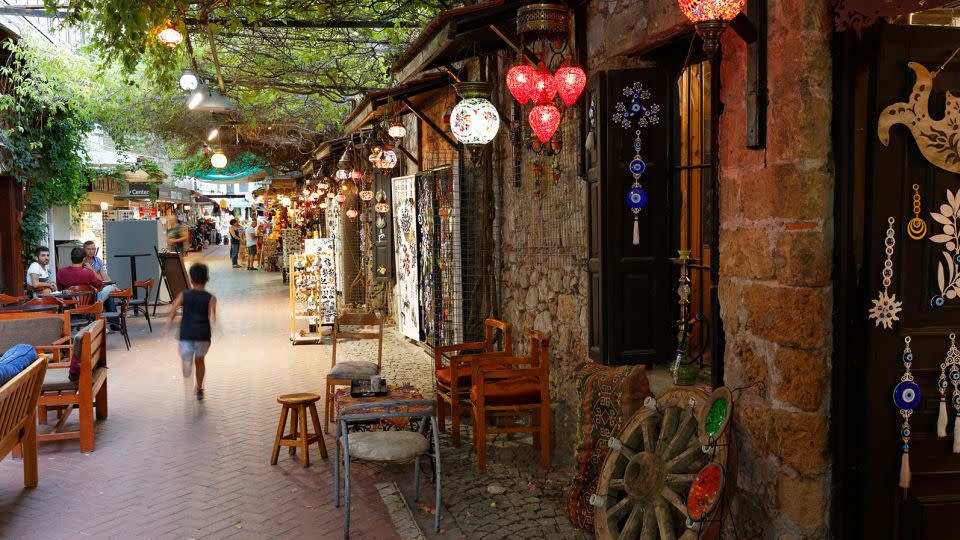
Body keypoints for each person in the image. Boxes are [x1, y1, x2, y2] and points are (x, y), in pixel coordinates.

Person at [166, 263, 216, 400]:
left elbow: (172, 309)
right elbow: (212, 318)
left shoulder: (184, 295)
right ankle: (199, 388)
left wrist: (170, 321)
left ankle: (186, 361)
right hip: (203, 335)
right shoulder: (211, 298)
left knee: (186, 357)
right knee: (200, 361)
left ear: (191, 280)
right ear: (207, 279)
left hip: (186, 334)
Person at [56, 247, 121, 329]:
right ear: (83, 259)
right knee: (110, 288)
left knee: (108, 291)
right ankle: (112, 321)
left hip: (70, 304)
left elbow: (60, 289)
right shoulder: (88, 274)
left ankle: (108, 321)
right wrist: (92, 270)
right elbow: (100, 285)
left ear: (71, 258)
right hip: (89, 304)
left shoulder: (61, 272)